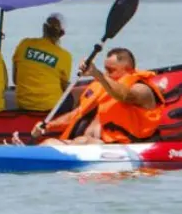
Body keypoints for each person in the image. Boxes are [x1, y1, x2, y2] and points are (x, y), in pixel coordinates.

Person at [31, 48, 165, 145]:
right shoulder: (101, 87)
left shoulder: (141, 89)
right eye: (105, 69)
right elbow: (77, 114)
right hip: (89, 144)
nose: (106, 73)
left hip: (120, 146)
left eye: (111, 70)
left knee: (82, 141)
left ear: (128, 70)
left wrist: (97, 74)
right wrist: (48, 126)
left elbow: (124, 95)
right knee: (49, 142)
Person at [11, 13, 73, 111]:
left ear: (44, 27)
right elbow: (64, 87)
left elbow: (15, 79)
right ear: (62, 34)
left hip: (24, 104)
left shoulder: (24, 44)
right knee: (71, 98)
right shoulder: (65, 56)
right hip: (50, 107)